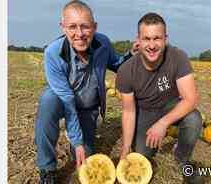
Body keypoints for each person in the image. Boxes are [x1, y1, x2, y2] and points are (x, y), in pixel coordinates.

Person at [34, 1, 136, 183]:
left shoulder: (103, 44)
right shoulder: (53, 53)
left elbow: (117, 64)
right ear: (63, 27)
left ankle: (76, 140)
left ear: (94, 27)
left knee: (83, 157)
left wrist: (131, 56)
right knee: (48, 100)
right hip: (63, 103)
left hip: (88, 109)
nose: (79, 34)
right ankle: (47, 167)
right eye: (72, 27)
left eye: (85, 27)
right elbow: (66, 100)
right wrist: (77, 140)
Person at [116, 12, 204, 183]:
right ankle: (143, 143)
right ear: (138, 41)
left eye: (157, 38)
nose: (152, 45)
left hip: (170, 105)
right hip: (145, 111)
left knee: (194, 119)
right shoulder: (126, 71)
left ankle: (182, 157)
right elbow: (128, 111)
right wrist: (125, 148)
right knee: (141, 154)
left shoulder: (178, 57)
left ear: (165, 39)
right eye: (146, 39)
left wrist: (163, 123)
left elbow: (190, 99)